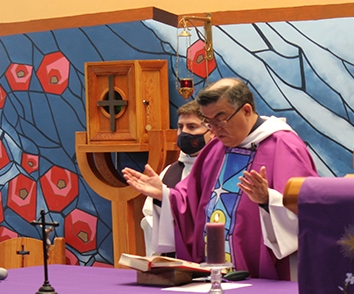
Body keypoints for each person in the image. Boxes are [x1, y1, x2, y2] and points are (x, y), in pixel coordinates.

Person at [123, 78, 318, 280]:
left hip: (266, 274)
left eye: (220, 120)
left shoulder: (284, 146)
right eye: (209, 123)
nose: (215, 130)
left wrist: (269, 200)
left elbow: (309, 210)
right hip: (214, 275)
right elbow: (190, 200)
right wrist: (164, 194)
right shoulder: (215, 149)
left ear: (247, 110)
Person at [142, 100, 212, 256]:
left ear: (212, 131)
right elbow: (150, 219)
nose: (184, 132)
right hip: (174, 261)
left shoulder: (220, 168)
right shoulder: (169, 172)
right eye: (180, 127)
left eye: (192, 127)